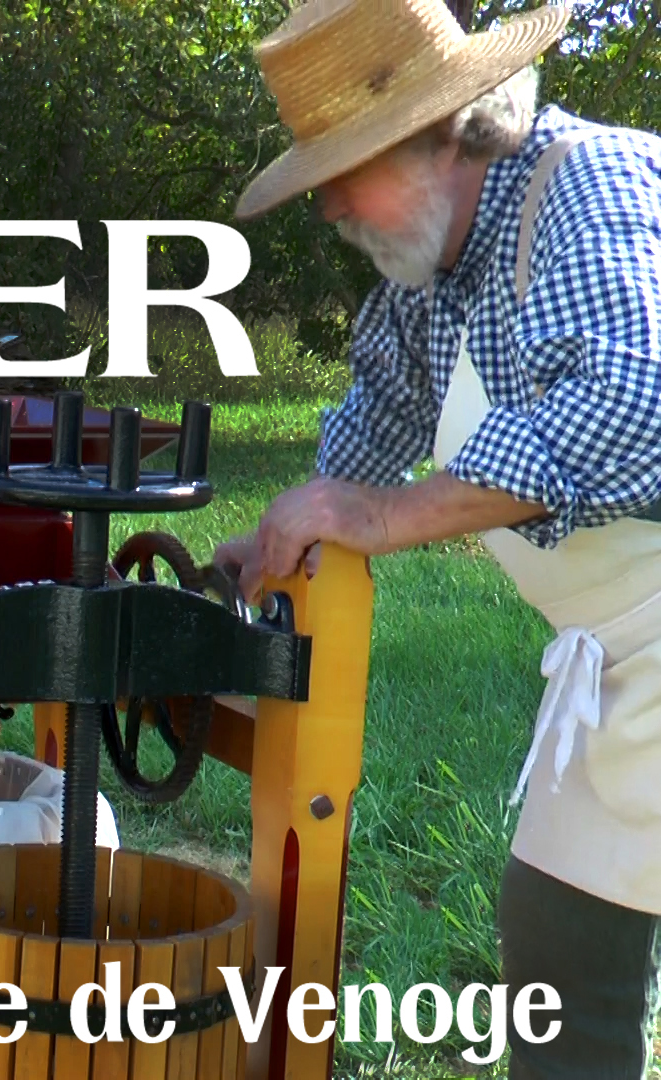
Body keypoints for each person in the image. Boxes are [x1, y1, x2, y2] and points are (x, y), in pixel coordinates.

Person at [216, 0, 661, 1075]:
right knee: (559, 963)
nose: (326, 205)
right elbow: (376, 419)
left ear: (444, 130)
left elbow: (636, 404)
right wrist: (273, 532)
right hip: (612, 667)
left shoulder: (582, 190)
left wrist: (380, 519)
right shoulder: (433, 275)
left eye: (344, 166)